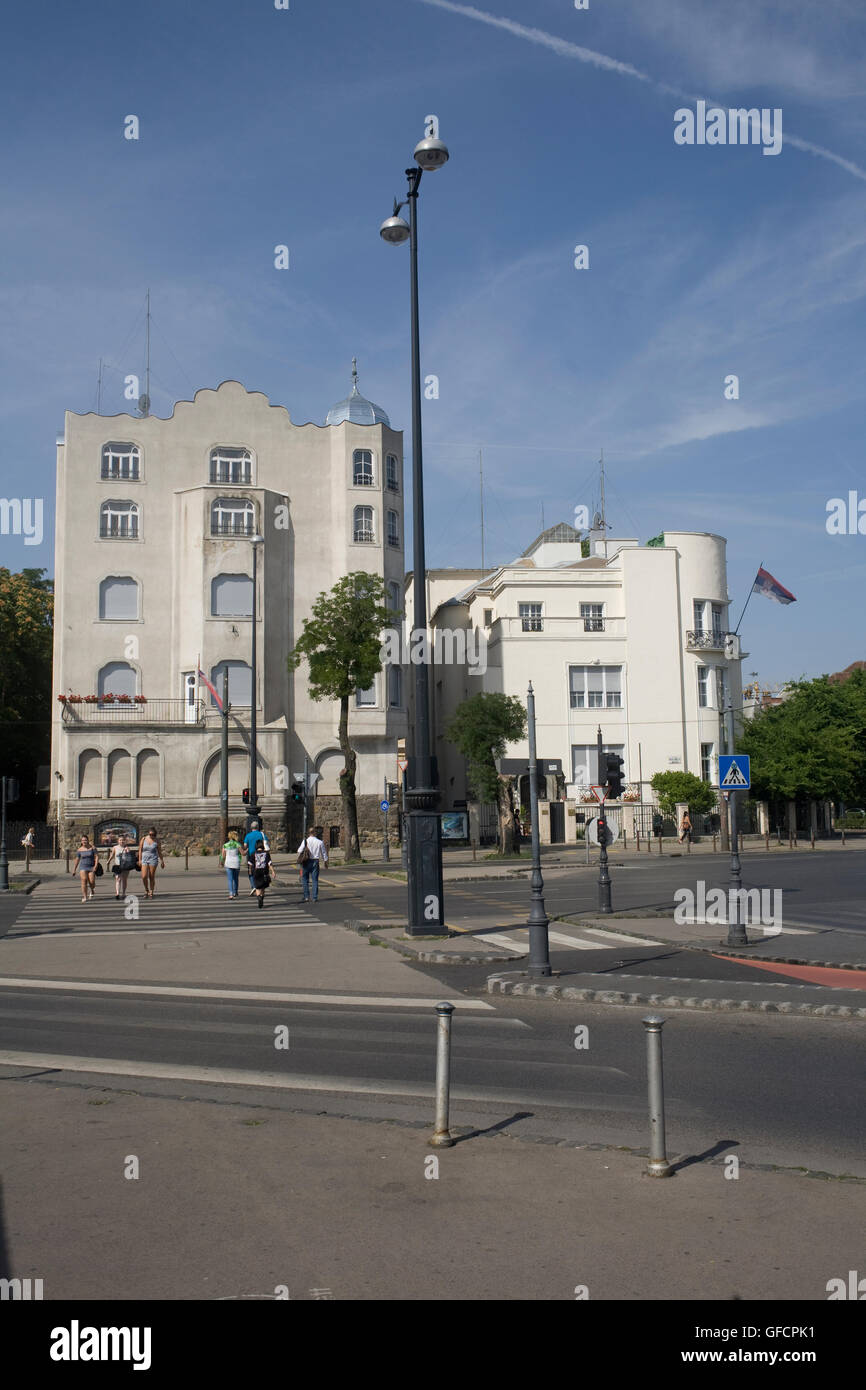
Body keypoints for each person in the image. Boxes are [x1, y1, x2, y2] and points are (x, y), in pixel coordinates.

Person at [297, 825, 328, 903]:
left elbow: (299, 850)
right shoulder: (320, 842)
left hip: (306, 861)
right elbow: (324, 853)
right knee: (315, 880)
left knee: (305, 879)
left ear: (309, 833)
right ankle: (314, 897)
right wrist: (325, 862)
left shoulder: (305, 841)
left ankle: (306, 896)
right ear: (315, 833)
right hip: (315, 861)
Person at [138, 827, 165, 898]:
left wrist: (162, 861)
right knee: (144, 876)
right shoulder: (143, 839)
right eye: (150, 834)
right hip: (144, 859)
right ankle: (146, 890)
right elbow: (140, 850)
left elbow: (159, 851)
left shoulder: (157, 841)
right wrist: (139, 860)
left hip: (153, 859)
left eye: (153, 834)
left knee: (151, 876)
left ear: (155, 834)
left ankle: (151, 891)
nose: (151, 836)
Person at [243, 819, 267, 896]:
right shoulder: (261, 834)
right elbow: (266, 843)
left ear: (251, 827)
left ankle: (254, 885)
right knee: (260, 871)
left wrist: (248, 848)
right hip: (261, 855)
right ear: (258, 827)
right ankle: (259, 886)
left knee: (251, 871)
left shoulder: (248, 835)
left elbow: (245, 845)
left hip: (251, 855)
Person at [248, 839, 274, 909]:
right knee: (263, 887)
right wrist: (273, 871)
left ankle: (259, 897)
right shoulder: (266, 853)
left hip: (256, 872)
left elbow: (250, 864)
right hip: (264, 872)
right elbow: (269, 863)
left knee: (257, 887)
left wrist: (250, 871)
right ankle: (262, 897)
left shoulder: (253, 853)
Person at [73, 835, 99, 902]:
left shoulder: (92, 848)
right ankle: (85, 896)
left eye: (85, 840)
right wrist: (74, 869)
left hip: (91, 867)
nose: (84, 841)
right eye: (83, 840)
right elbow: (77, 859)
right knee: (84, 880)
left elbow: (96, 857)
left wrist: (95, 866)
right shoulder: (79, 850)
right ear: (81, 841)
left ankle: (92, 890)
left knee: (92, 882)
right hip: (83, 867)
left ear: (88, 840)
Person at [111, 834, 138, 900]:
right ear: (118, 841)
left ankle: (123, 893)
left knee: (124, 880)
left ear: (125, 841)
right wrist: (108, 861)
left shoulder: (127, 848)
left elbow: (129, 857)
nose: (121, 841)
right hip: (117, 865)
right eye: (120, 840)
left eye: (123, 840)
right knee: (118, 879)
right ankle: (117, 894)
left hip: (125, 866)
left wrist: (127, 851)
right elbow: (112, 855)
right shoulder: (115, 847)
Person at [220, 828, 243, 899]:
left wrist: (221, 863)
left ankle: (231, 894)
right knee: (236, 879)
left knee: (230, 879)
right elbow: (243, 853)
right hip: (236, 863)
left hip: (228, 863)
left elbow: (223, 856)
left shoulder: (225, 845)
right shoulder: (238, 844)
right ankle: (235, 892)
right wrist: (246, 850)